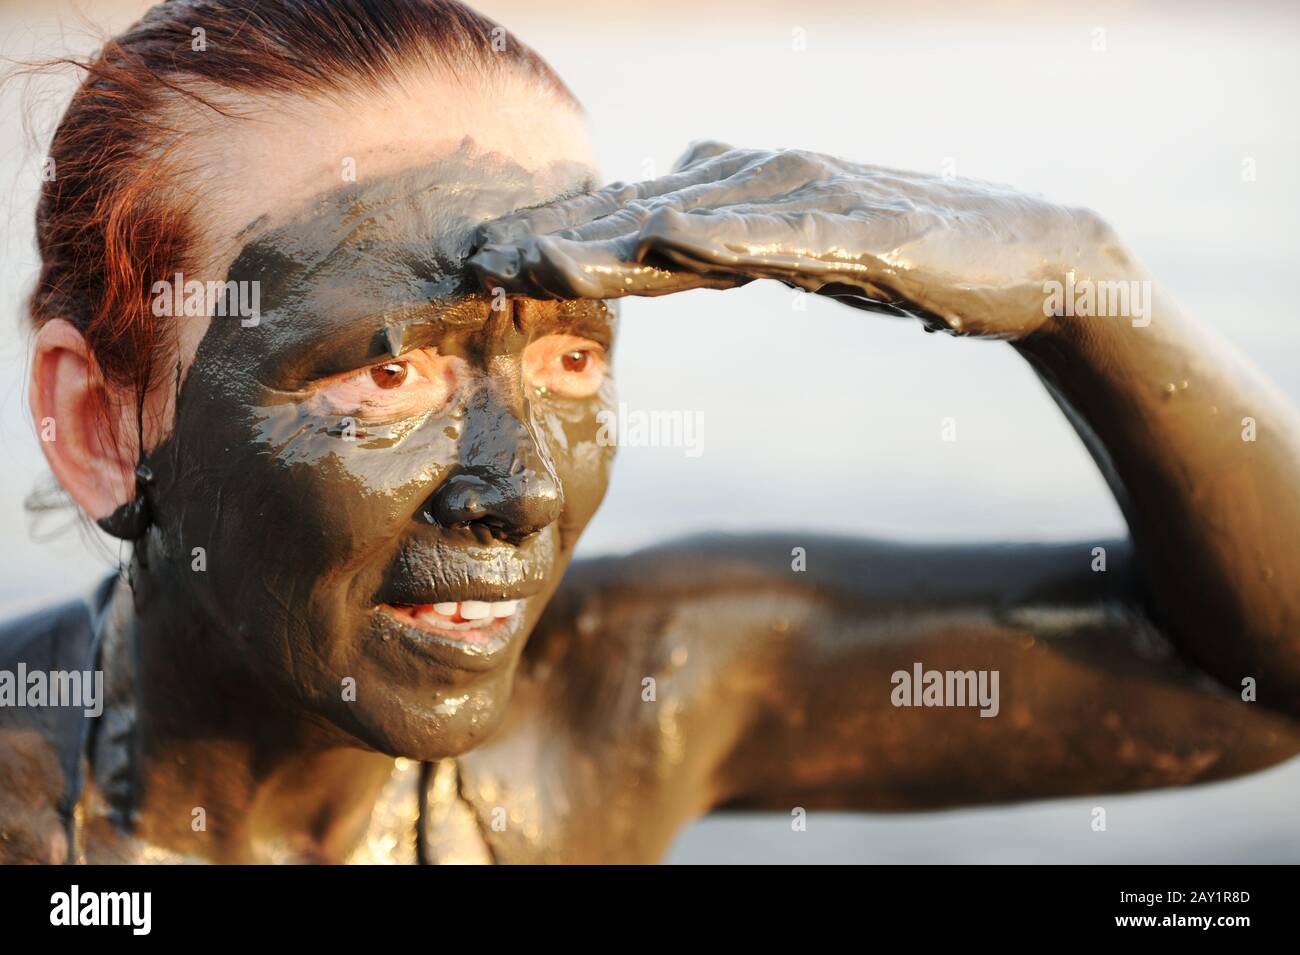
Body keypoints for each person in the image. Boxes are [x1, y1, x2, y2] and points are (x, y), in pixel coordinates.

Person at [2, 0, 1297, 864]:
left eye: (572, 359)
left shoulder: (623, 707)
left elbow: (1255, 687)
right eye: (386, 373)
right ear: (100, 424)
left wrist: (1083, 293)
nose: (520, 495)